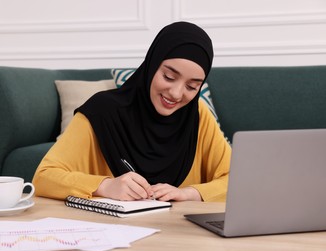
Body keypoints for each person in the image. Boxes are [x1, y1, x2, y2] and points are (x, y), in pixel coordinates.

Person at [32, 21, 231, 202]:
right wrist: (105, 186)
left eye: (192, 87)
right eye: (169, 77)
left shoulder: (197, 114)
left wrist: (189, 193)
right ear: (152, 65)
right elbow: (44, 177)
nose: (177, 94)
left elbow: (236, 179)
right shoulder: (101, 112)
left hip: (180, 235)